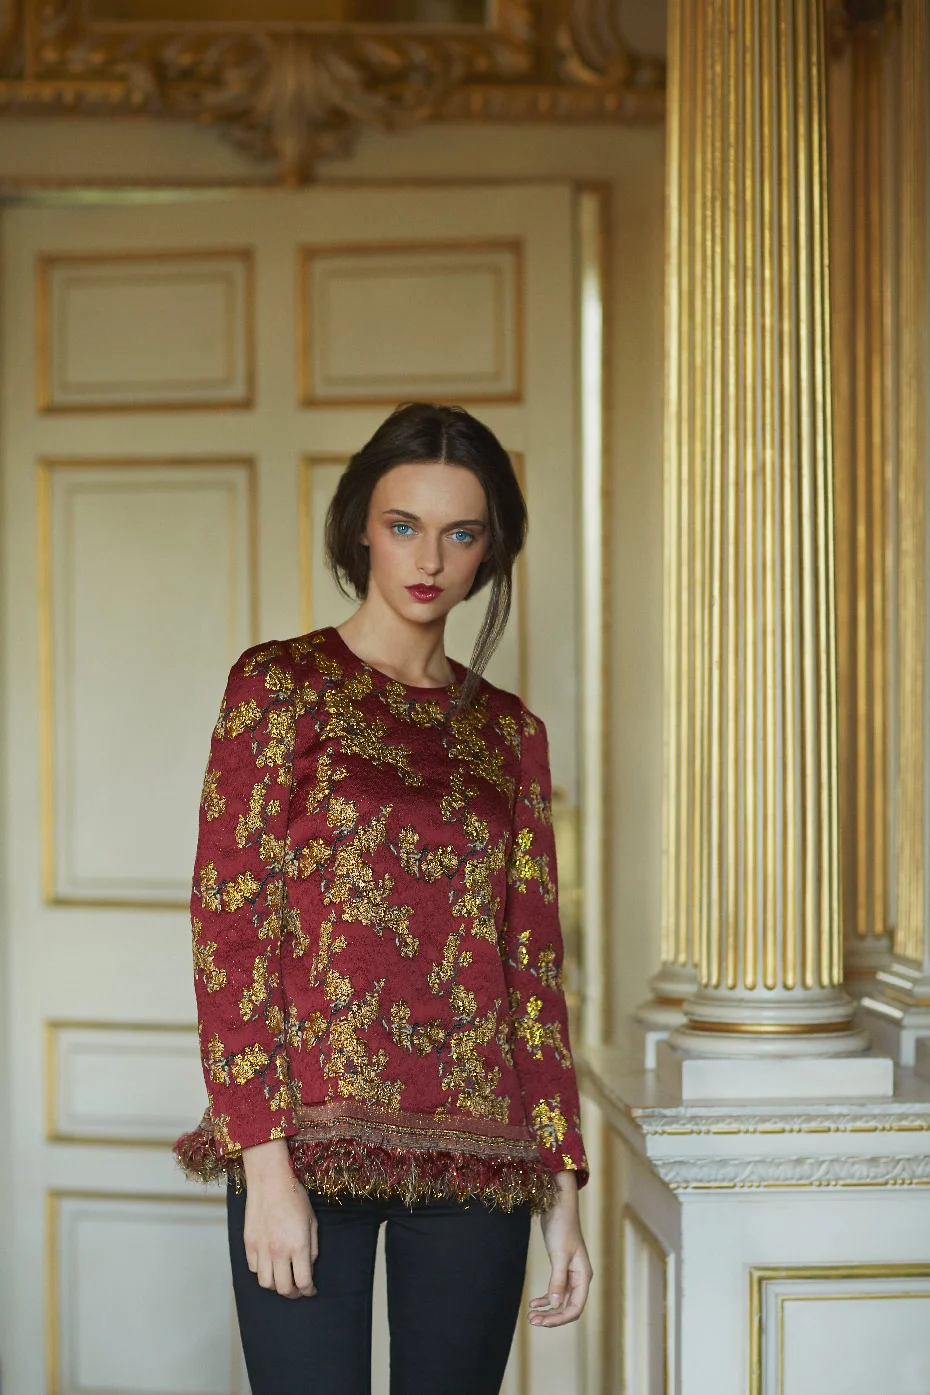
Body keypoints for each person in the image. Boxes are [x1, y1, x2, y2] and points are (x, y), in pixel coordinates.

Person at [174, 401, 593, 1394]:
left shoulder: (511, 735)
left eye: (461, 533)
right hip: (304, 1149)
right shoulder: (279, 686)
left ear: (491, 550)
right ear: (361, 525)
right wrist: (263, 1167)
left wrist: (562, 1184)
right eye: (405, 525)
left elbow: (532, 967)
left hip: (482, 1161)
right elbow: (230, 930)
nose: (430, 559)